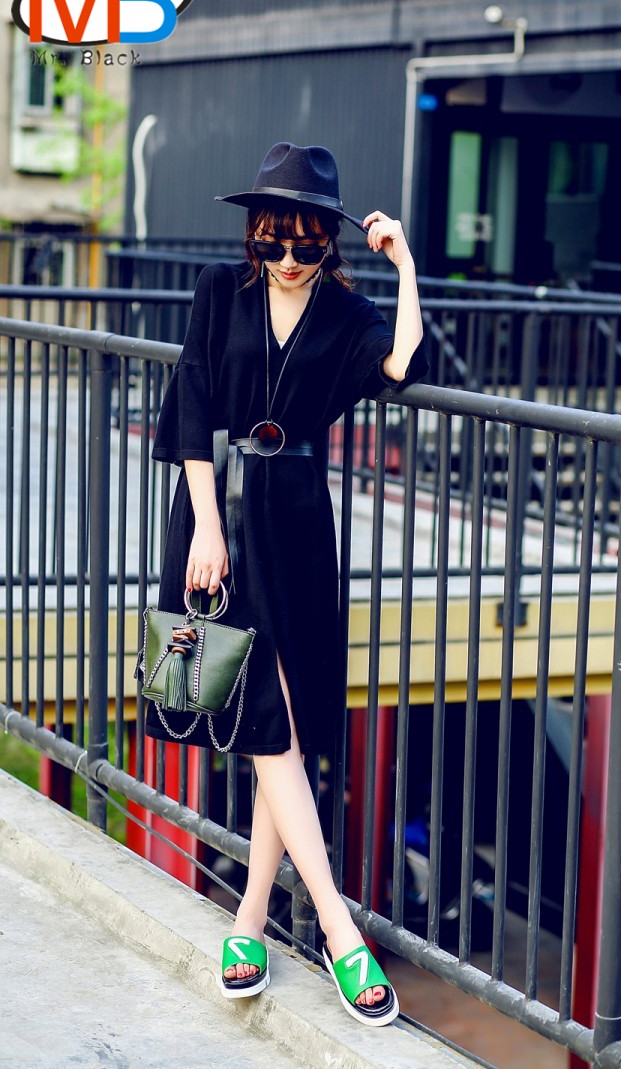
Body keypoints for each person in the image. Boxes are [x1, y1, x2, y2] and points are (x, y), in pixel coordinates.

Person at [146, 142, 427, 1027]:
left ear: (327, 243)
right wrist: (207, 527)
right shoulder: (216, 292)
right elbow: (192, 406)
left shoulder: (344, 310)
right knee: (271, 725)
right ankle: (341, 933)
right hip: (219, 517)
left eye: (306, 245)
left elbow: (401, 362)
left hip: (299, 521)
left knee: (287, 731)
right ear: (254, 236)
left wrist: (405, 264)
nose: (290, 259)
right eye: (273, 242)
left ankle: (248, 921)